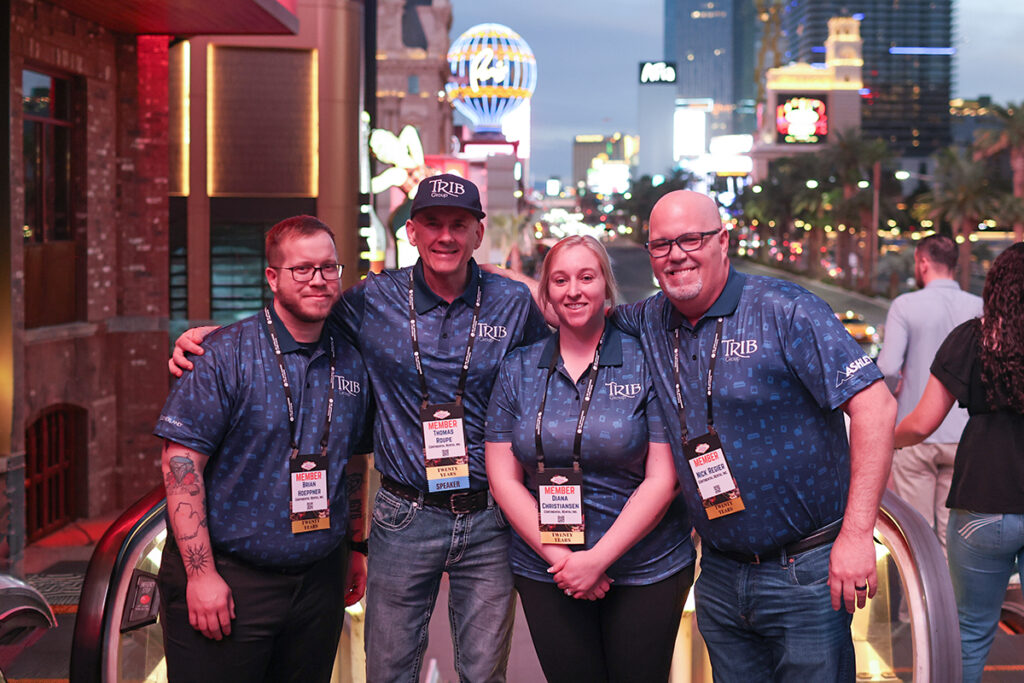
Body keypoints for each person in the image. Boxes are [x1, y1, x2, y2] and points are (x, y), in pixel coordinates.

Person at [170, 174, 549, 682]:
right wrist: (212, 338)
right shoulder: (369, 300)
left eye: (459, 225)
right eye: (432, 223)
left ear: (478, 234)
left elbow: (557, 363)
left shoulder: (512, 303)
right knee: (389, 671)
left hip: (489, 516)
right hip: (404, 513)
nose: (446, 236)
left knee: (485, 673)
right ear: (410, 232)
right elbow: (295, 319)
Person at [610, 191, 897, 681]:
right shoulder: (651, 319)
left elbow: (876, 407)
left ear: (723, 241)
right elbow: (570, 301)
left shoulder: (787, 311)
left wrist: (855, 537)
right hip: (720, 573)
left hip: (805, 571)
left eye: (691, 239)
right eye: (661, 245)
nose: (676, 254)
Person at [154, 216, 374, 682]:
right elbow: (180, 463)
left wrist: (355, 545)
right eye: (303, 269)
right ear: (272, 277)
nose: (318, 279)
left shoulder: (352, 359)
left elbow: (353, 457)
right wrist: (201, 575)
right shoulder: (223, 354)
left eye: (329, 268)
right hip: (231, 581)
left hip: (319, 583)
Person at [485, 236, 695, 683]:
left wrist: (596, 560)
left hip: (646, 567)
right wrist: (565, 561)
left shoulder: (645, 362)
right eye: (560, 280)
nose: (573, 290)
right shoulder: (517, 369)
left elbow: (662, 479)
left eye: (586, 277)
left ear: (606, 288)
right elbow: (504, 480)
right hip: (548, 569)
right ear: (545, 293)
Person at [894, 242, 1024, 683]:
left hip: (981, 502)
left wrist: (883, 441)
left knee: (969, 629)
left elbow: (923, 422)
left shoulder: (974, 337)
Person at [876, 234, 981, 549]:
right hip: (965, 435)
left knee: (917, 537)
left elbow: (889, 367)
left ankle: (922, 599)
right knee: (954, 538)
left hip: (916, 432)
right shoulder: (979, 306)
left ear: (922, 263)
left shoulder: (906, 305)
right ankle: (951, 597)